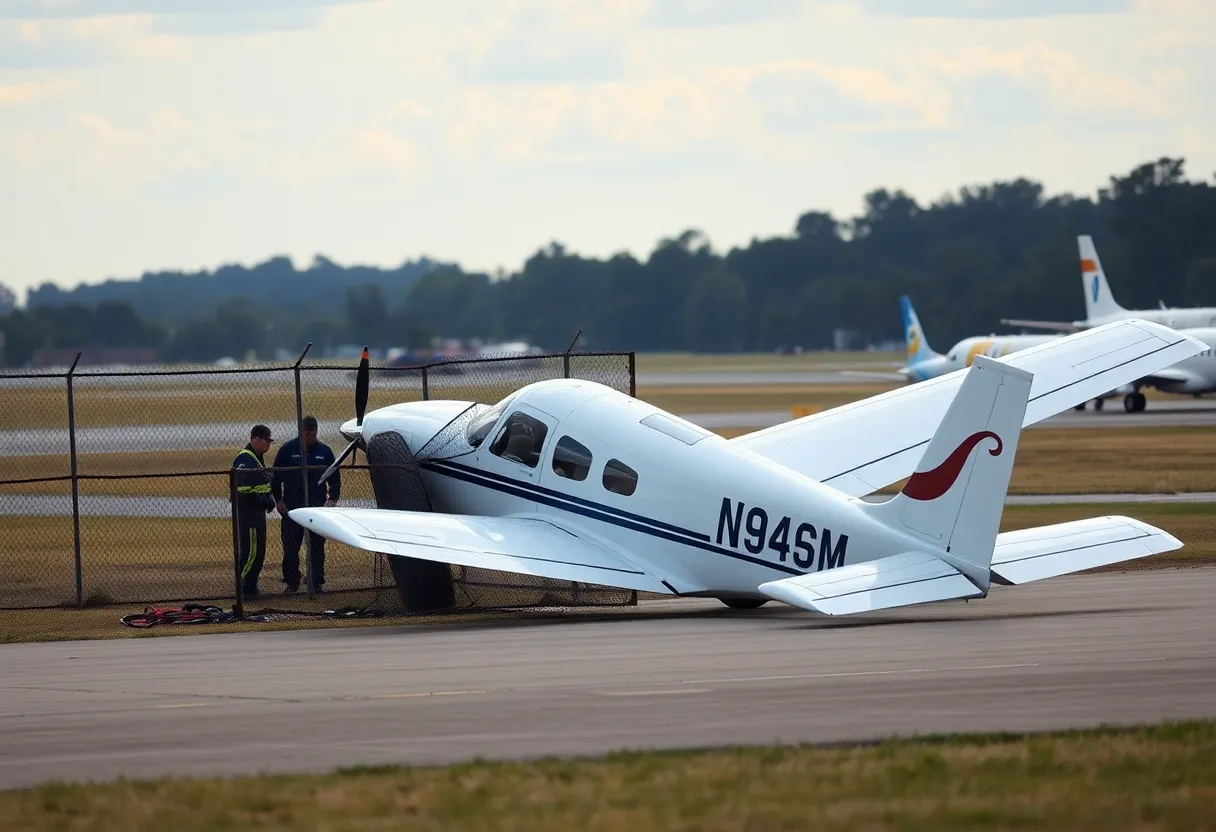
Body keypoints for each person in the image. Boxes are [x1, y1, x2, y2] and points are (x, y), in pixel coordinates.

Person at [271, 415, 340, 593]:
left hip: (316, 508)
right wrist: (278, 499)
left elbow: (334, 478)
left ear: (316, 433)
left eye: (312, 435)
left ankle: (316, 581)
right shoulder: (287, 450)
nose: (308, 438)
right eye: (305, 434)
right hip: (292, 507)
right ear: (300, 432)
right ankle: (291, 581)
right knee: (291, 547)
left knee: (317, 546)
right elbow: (275, 478)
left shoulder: (324, 451)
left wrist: (333, 498)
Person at [231, 424, 276, 599]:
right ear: (257, 439)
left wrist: (267, 498)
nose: (269, 445)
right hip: (249, 514)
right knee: (251, 551)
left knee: (258, 551)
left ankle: (251, 584)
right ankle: (243, 586)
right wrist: (259, 497)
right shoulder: (245, 458)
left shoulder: (256, 458)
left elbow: (261, 484)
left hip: (258, 513)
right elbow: (241, 485)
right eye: (267, 441)